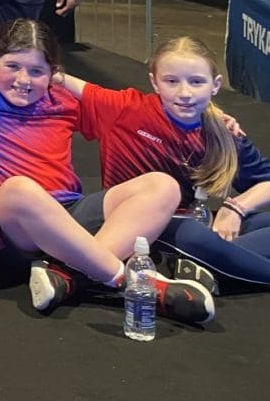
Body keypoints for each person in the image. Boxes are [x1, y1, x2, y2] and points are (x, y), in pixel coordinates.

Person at [0, 18, 214, 325]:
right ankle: (127, 281)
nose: (23, 80)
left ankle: (69, 275)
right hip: (14, 228)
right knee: (20, 189)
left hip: (71, 213)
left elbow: (133, 110)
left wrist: (211, 117)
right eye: (12, 67)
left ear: (53, 73)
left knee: (163, 185)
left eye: (37, 71)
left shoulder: (64, 100)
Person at [42, 36, 270, 292]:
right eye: (171, 81)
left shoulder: (223, 132)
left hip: (192, 219)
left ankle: (202, 268)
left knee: (250, 224)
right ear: (154, 82)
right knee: (194, 236)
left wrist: (235, 208)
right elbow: (57, 78)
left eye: (197, 82)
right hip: (137, 227)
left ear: (215, 85)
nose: (185, 93)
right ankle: (209, 263)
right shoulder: (125, 108)